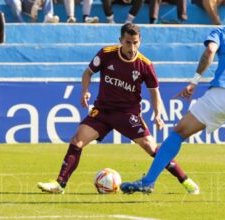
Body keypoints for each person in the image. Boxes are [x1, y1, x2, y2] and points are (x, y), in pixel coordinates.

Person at [120, 3, 225, 202]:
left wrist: (194, 82)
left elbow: (209, 52)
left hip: (222, 91)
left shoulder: (222, 31)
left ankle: (148, 181)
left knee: (179, 132)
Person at [37, 23, 200, 195]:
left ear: (140, 41)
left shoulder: (145, 65)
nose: (132, 47)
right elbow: (87, 73)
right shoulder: (106, 54)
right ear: (120, 40)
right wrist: (85, 92)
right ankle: (59, 184)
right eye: (128, 42)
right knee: (77, 140)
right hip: (103, 111)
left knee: (152, 148)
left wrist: (158, 113)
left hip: (127, 115)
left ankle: (185, 180)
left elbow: (155, 93)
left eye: (135, 42)